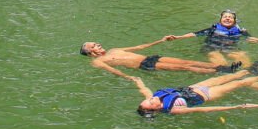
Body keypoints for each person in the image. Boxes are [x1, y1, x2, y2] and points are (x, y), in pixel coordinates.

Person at [80, 39, 240, 81]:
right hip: (144, 65)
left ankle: (223, 68)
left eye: (97, 43)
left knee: (185, 62)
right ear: (90, 52)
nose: (99, 45)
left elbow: (140, 47)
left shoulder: (115, 50)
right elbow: (112, 70)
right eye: (94, 45)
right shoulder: (97, 62)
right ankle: (217, 71)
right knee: (186, 68)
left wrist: (160, 41)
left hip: (149, 58)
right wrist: (127, 77)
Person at [133, 70, 258, 117]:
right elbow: (203, 110)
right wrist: (236, 106)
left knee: (221, 78)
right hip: (206, 95)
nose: (151, 98)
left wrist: (137, 81)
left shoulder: (154, 98)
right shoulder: (174, 109)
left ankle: (250, 70)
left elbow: (145, 90)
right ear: (156, 108)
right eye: (151, 102)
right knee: (236, 84)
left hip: (193, 88)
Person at [164, 9, 252, 67]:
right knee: (222, 63)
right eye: (225, 17)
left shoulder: (240, 31)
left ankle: (247, 72)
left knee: (243, 57)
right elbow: (195, 34)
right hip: (212, 48)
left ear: (234, 21)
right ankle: (229, 73)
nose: (227, 18)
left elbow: (252, 39)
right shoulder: (213, 29)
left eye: (230, 17)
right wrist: (177, 37)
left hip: (229, 48)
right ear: (220, 21)